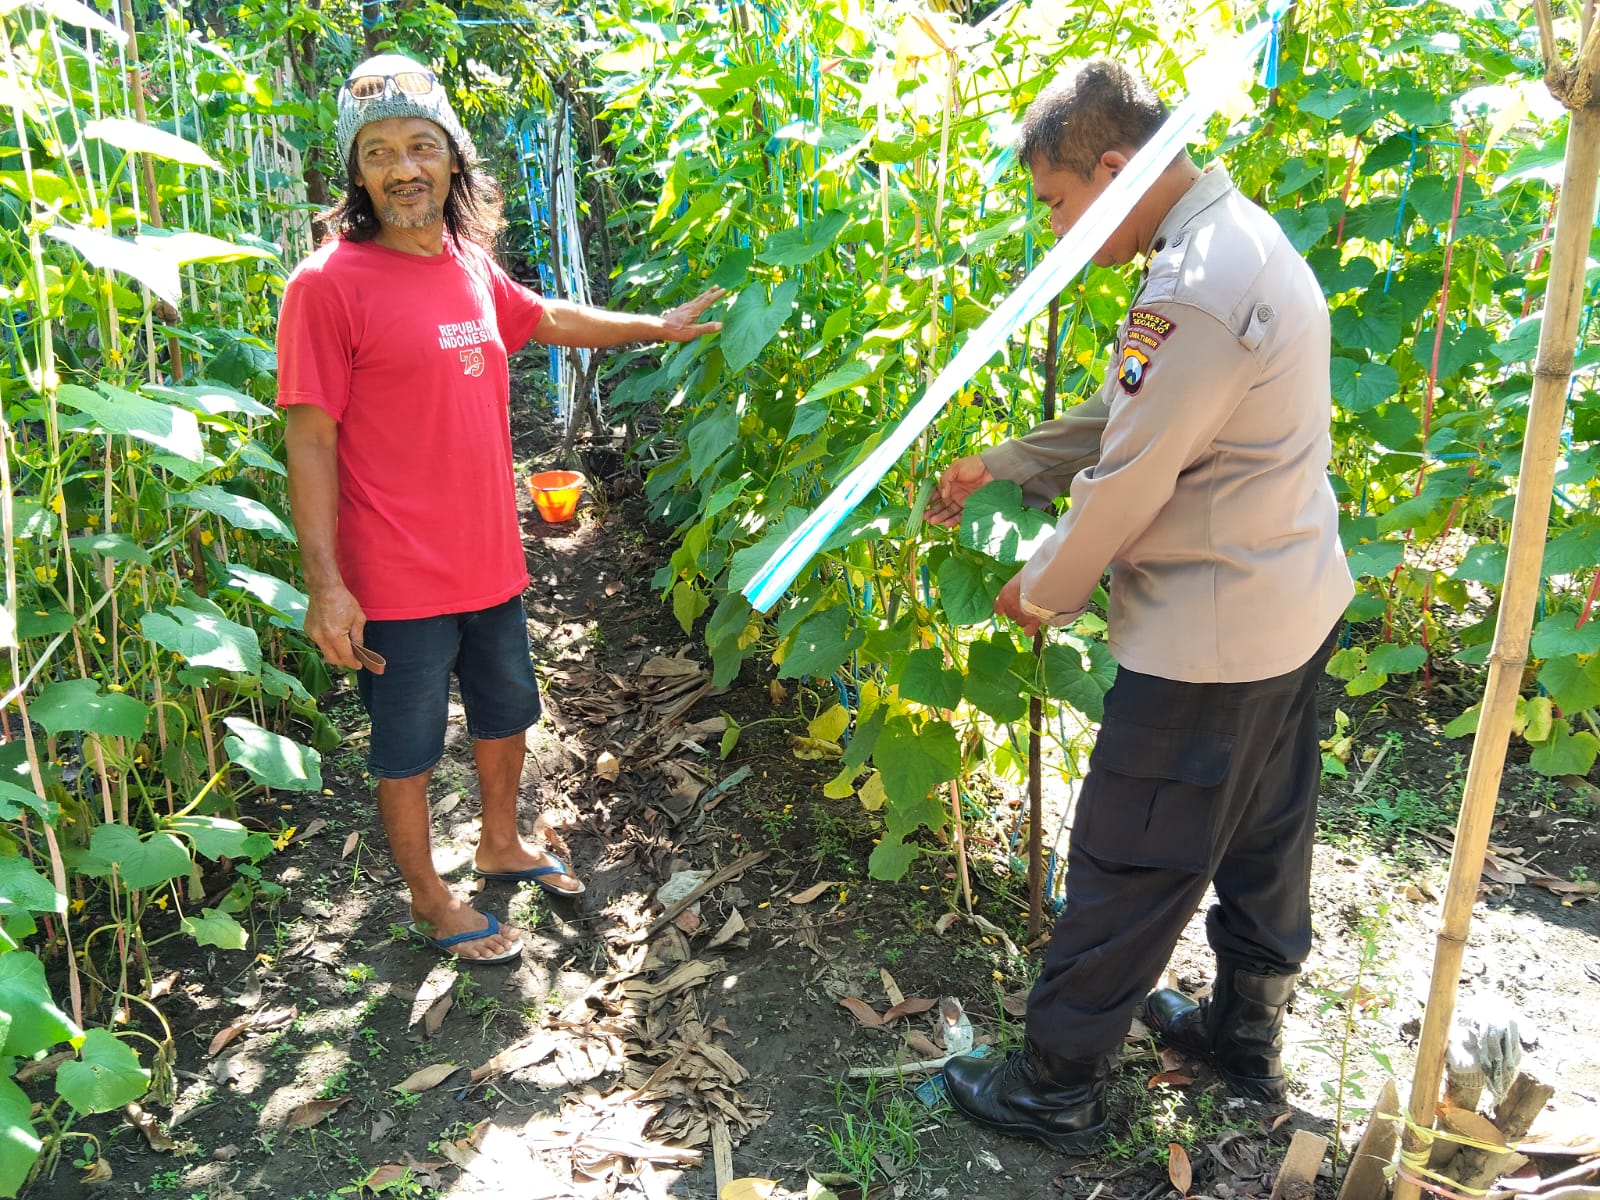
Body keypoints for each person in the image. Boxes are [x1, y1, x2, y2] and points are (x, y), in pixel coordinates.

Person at [930, 59, 1353, 1151]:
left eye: (1057, 204)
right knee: (1265, 832)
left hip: (1209, 641)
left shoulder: (1195, 286)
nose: (1054, 229)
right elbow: (1142, 408)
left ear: (1115, 169)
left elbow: (1132, 477)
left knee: (1130, 853)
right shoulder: (1222, 241)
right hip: (1284, 606)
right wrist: (1013, 458)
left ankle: (1053, 1082)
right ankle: (1241, 1033)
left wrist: (1044, 587)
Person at [278, 54, 724, 964]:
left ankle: (500, 841)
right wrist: (326, 585)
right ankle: (429, 897)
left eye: (420, 145)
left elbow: (547, 317)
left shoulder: (467, 265)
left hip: (489, 560)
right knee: (406, 745)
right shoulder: (325, 286)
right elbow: (310, 440)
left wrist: (655, 325)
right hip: (395, 577)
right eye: (379, 152)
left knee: (505, 709)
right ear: (356, 174)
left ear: (452, 158)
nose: (404, 168)